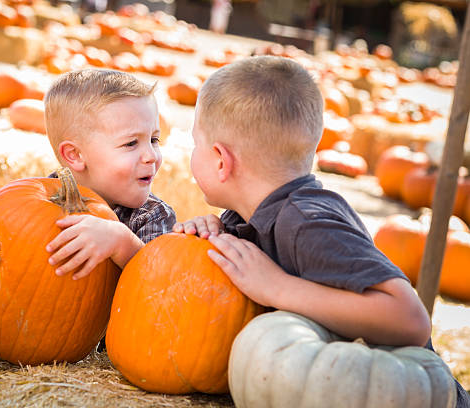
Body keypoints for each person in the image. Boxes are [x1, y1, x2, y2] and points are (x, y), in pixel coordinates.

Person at [173, 56, 469, 406]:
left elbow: (410, 320)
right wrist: (206, 237)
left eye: (196, 143)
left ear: (221, 161)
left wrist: (278, 288)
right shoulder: (247, 215)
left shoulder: (309, 222)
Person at [0, 69, 175, 288]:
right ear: (75, 155)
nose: (151, 155)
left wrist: (122, 243)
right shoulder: (35, 199)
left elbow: (162, 287)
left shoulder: (152, 216)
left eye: (154, 140)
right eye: (131, 143)